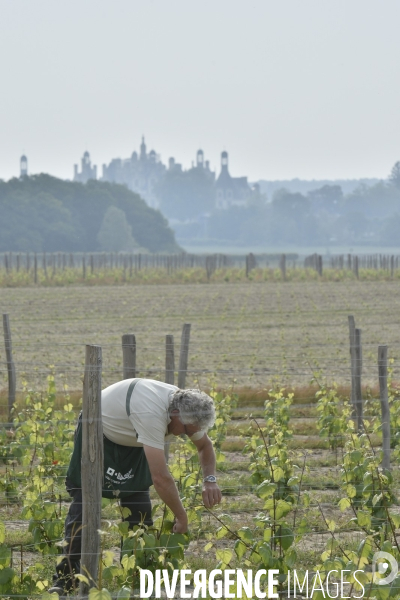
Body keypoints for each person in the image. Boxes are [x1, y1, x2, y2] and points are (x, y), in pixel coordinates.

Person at [49, 378, 222, 595]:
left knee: (139, 513)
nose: (185, 436)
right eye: (186, 431)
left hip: (133, 438)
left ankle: (136, 577)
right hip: (99, 432)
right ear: (176, 414)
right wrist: (182, 516)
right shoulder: (151, 415)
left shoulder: (188, 410)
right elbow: (161, 478)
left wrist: (210, 480)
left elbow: (205, 446)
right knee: (84, 508)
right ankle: (65, 579)